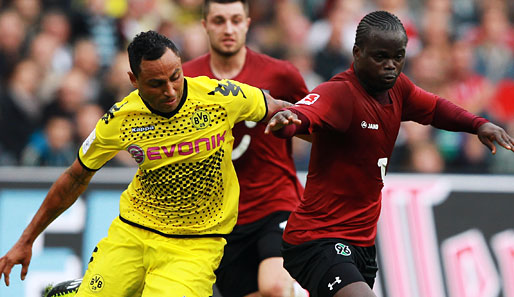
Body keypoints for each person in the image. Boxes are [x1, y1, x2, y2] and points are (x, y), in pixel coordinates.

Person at [0, 30, 293, 297]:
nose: (170, 90)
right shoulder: (121, 119)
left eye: (175, 76)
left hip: (195, 244)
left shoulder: (220, 97)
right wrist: (27, 239)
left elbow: (280, 107)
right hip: (133, 232)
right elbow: (75, 177)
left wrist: (304, 123)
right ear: (133, 80)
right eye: (156, 83)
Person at [264, 11, 514, 297]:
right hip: (317, 239)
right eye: (380, 57)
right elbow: (305, 113)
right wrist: (288, 120)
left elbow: (434, 108)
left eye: (398, 57)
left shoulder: (398, 89)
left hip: (361, 245)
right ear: (357, 53)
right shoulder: (340, 93)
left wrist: (479, 124)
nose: (391, 66)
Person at [182, 1, 310, 296]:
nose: (228, 29)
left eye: (236, 20)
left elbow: (316, 127)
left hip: (275, 201)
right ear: (205, 25)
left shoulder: (281, 75)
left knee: (275, 286)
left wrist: (290, 125)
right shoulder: (187, 80)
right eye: (219, 20)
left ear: (248, 23)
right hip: (221, 217)